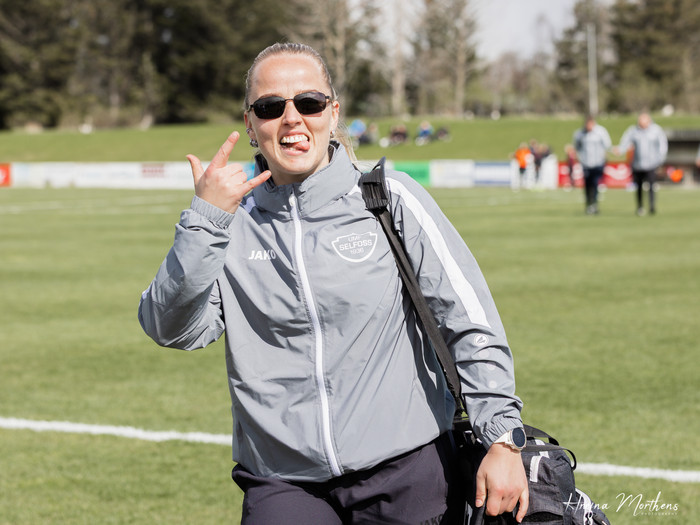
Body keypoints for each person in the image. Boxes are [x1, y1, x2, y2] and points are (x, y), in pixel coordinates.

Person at [138, 42, 527, 525]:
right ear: (250, 124)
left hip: (407, 471)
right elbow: (170, 328)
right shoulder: (229, 224)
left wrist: (503, 439)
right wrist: (205, 220)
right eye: (270, 107)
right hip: (282, 481)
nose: (292, 118)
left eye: (309, 102)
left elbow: (468, 321)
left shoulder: (390, 198)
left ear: (333, 112)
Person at [616, 112, 668, 216]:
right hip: (637, 164)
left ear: (649, 121)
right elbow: (626, 141)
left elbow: (662, 145)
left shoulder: (656, 130)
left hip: (651, 164)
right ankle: (640, 207)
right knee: (638, 186)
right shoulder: (633, 130)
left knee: (651, 186)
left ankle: (652, 206)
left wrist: (660, 159)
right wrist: (620, 150)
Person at [573, 115, 612, 215]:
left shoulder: (601, 132)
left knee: (595, 183)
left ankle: (594, 204)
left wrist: (607, 154)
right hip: (586, 163)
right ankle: (588, 204)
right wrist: (578, 157)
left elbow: (607, 145)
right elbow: (576, 146)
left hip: (598, 163)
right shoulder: (580, 133)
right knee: (587, 184)